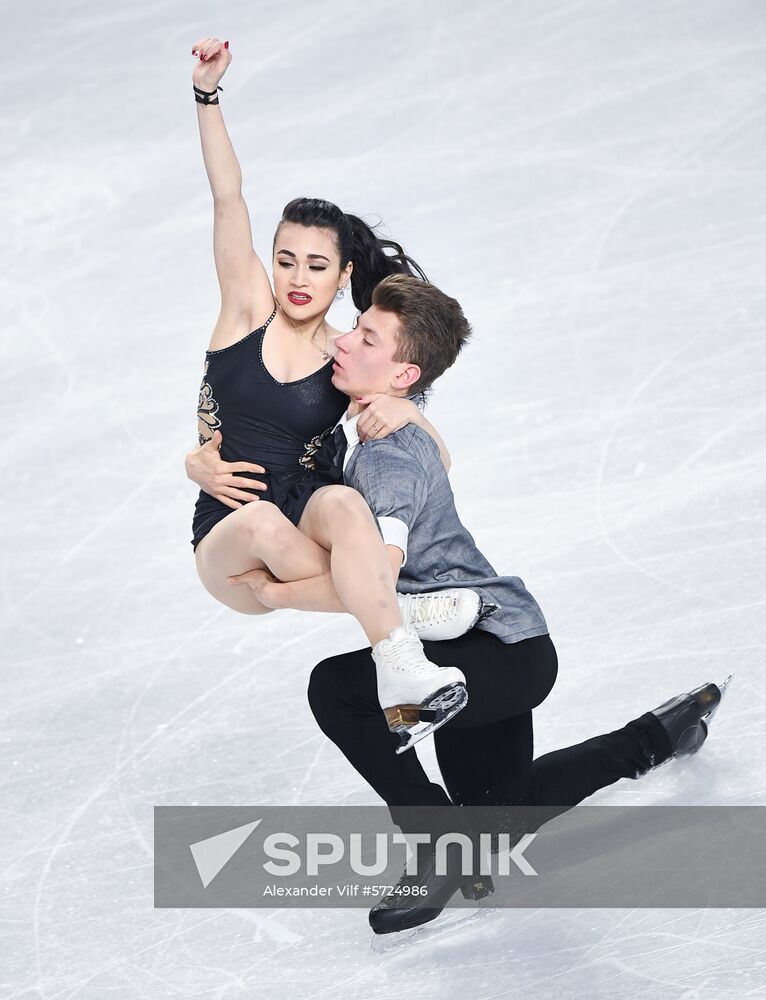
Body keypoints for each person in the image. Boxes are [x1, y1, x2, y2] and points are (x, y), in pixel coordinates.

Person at [232, 274, 729, 934]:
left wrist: (277, 594)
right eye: (355, 328)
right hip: (493, 645)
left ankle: (435, 840)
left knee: (337, 690)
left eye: (368, 338)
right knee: (499, 822)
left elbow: (377, 574)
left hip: (495, 654)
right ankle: (662, 732)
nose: (345, 341)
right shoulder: (381, 428)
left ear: (404, 374)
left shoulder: (385, 459)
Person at [185, 36, 484, 742]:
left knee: (347, 501)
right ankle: (398, 611)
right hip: (233, 532)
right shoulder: (247, 311)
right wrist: (207, 95)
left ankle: (402, 676)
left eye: (316, 266)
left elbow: (437, 458)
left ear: (344, 274)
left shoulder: (347, 355)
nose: (297, 278)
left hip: (309, 514)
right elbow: (227, 197)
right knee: (265, 522)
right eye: (285, 259)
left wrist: (402, 405)